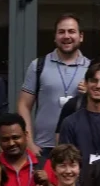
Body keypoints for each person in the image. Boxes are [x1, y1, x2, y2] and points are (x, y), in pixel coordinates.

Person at [17, 14, 90, 155]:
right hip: (43, 147)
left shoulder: (92, 68)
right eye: (61, 32)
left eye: (71, 31)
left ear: (81, 36)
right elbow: (23, 105)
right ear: (55, 37)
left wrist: (90, 93)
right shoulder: (38, 65)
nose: (66, 36)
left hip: (79, 148)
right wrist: (29, 143)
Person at [56, 61, 100, 164]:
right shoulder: (70, 122)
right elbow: (64, 161)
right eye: (94, 80)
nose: (98, 86)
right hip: (78, 178)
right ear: (85, 83)